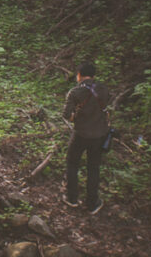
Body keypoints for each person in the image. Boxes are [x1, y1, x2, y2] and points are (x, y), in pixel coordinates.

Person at [62, 62, 110, 214]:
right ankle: (92, 203)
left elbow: (66, 114)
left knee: (72, 163)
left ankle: (72, 198)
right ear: (94, 75)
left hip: (81, 134)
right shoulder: (103, 89)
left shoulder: (75, 92)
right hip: (99, 135)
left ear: (79, 75)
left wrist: (75, 117)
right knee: (93, 168)